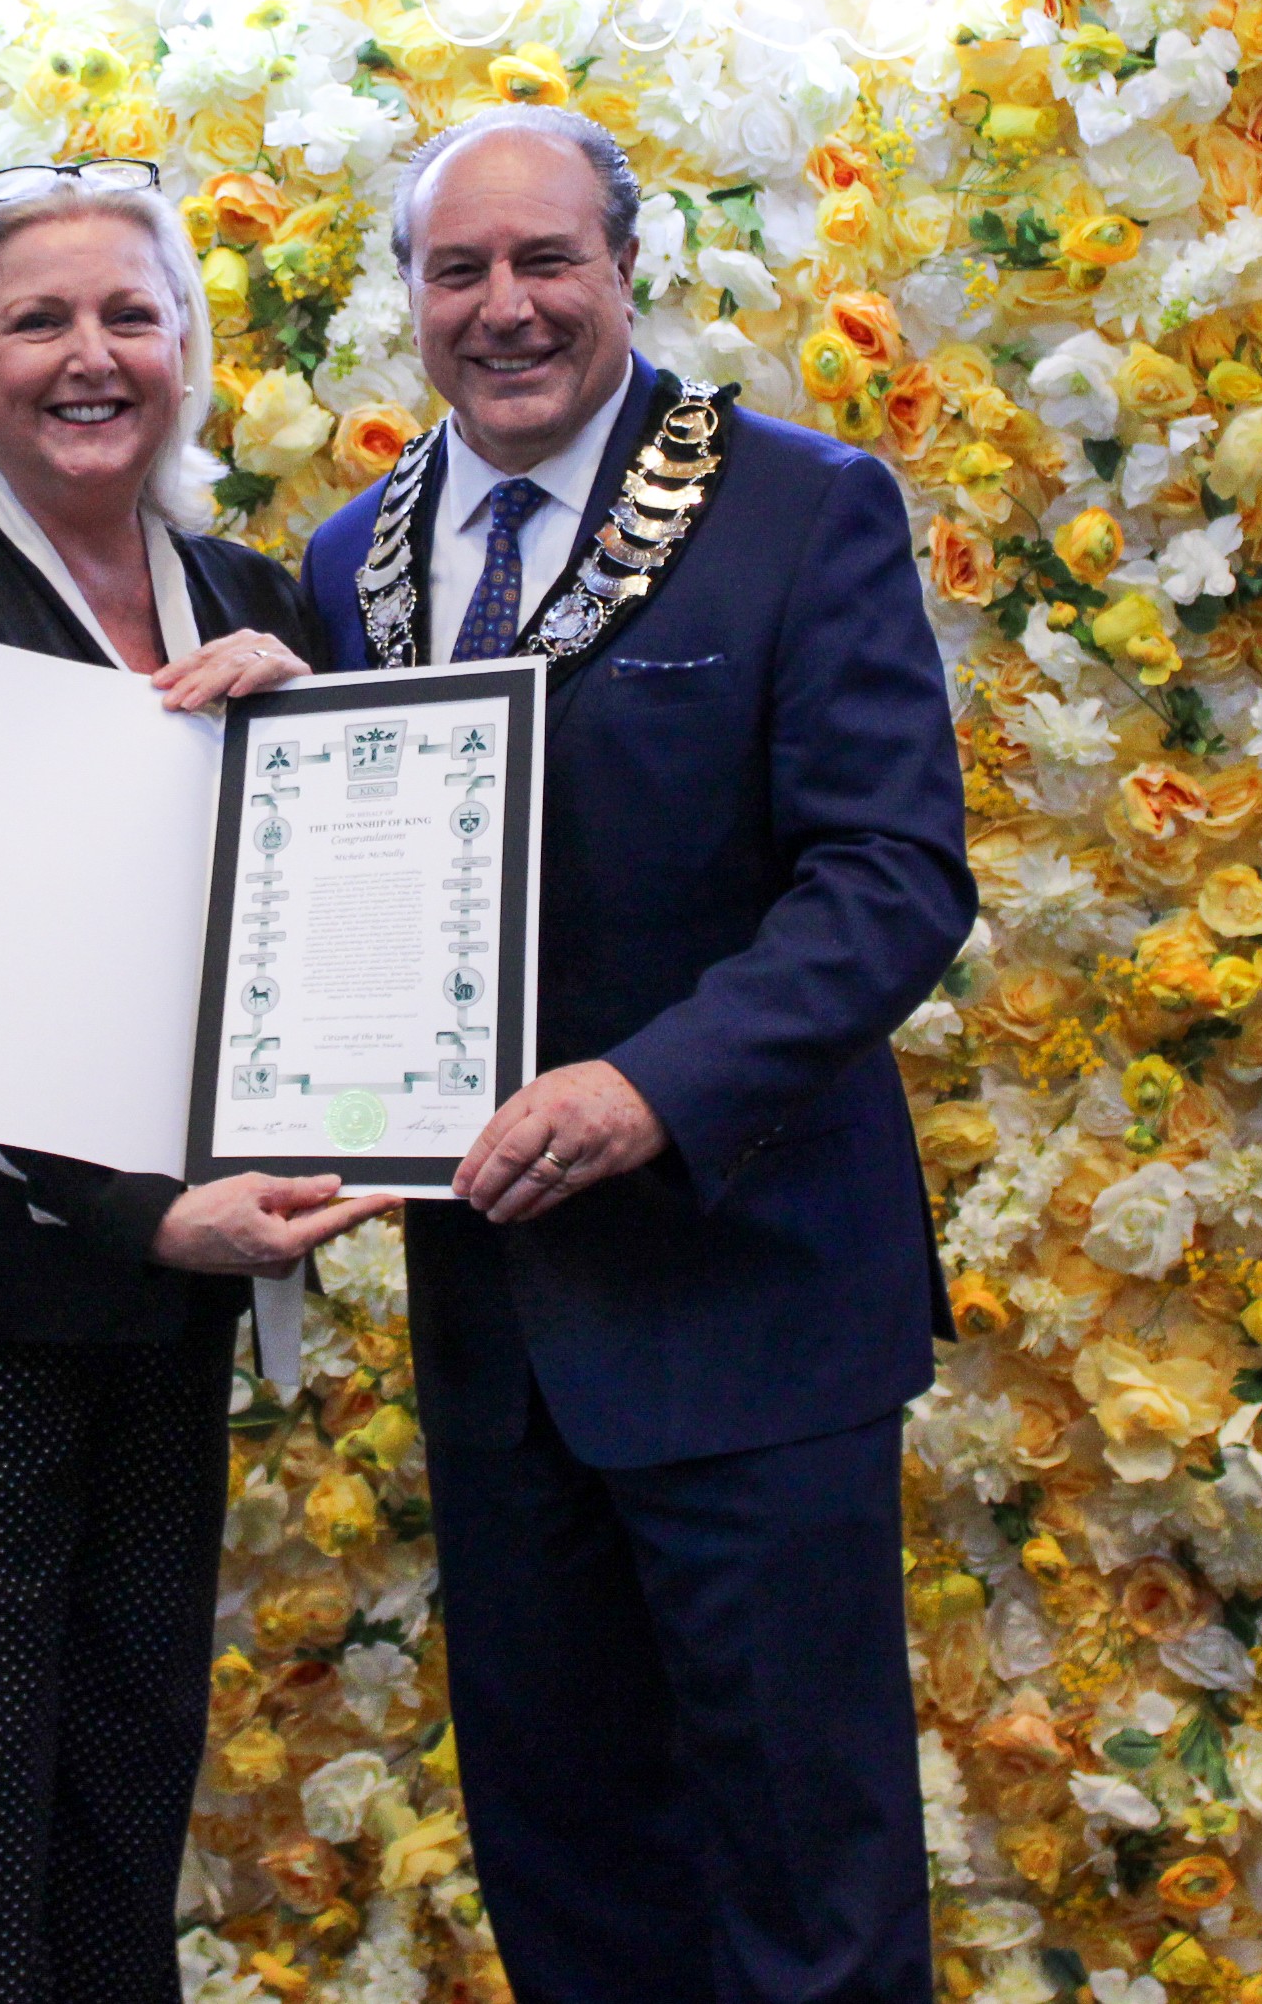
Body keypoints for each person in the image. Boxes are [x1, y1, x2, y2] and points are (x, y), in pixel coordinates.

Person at [300, 107, 976, 2004]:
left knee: (801, 1867)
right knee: (569, 1859)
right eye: (458, 271)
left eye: (544, 263)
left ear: (625, 270)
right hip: (501, 1335)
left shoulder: (798, 507)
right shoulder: (349, 562)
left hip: (748, 1311)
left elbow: (891, 875)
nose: (503, 309)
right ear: (411, 298)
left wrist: (651, 1088)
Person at [0, 161, 389, 2004]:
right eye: (39, 320)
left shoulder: (252, 594)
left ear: (187, 350)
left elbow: (325, 902)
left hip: (154, 1279)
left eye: (130, 314)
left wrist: (316, 713)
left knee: (118, 1789)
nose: (88, 355)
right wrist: (147, 1214)